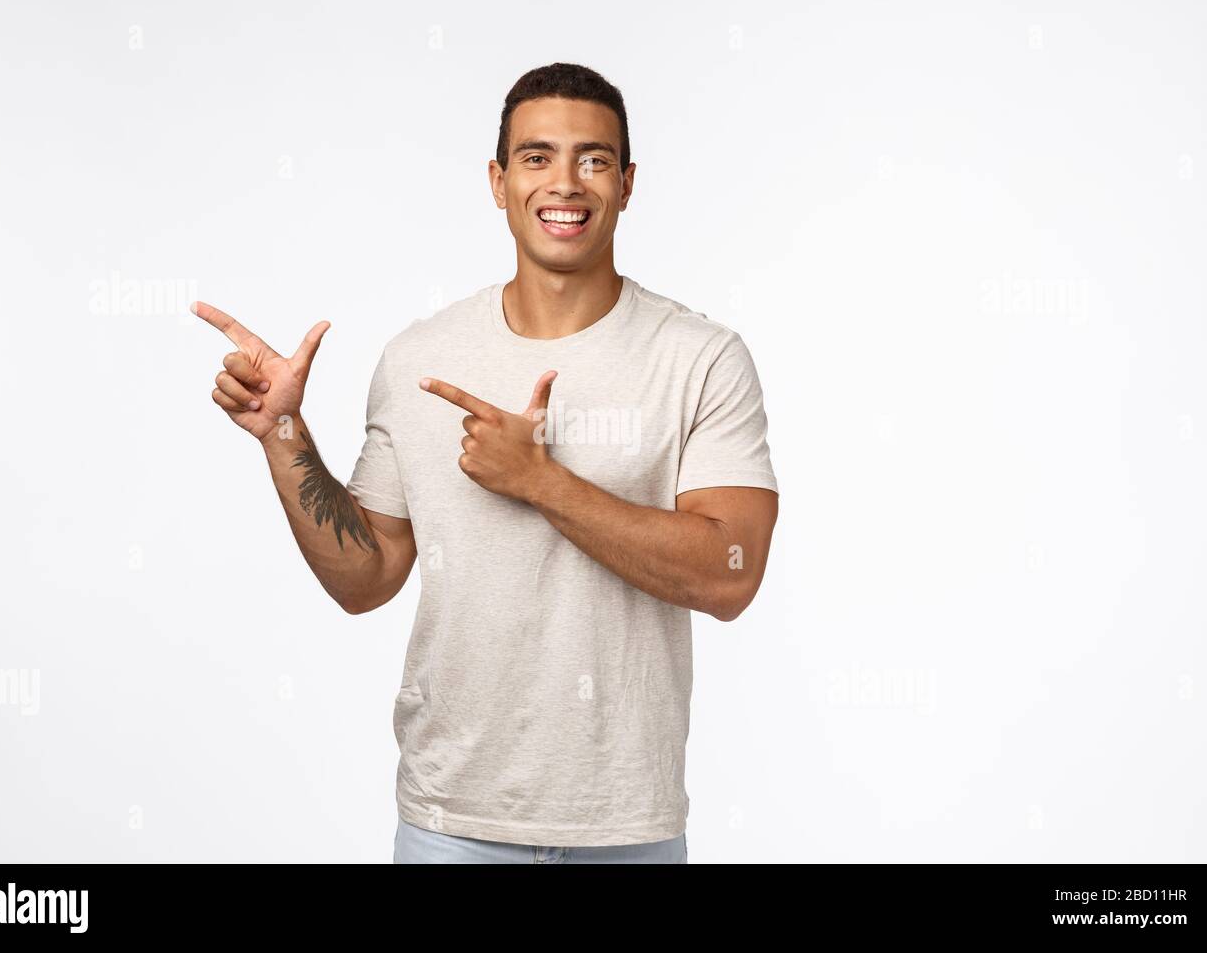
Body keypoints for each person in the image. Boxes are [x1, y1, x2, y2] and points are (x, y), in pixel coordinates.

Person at [194, 62, 779, 864]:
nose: (565, 183)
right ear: (499, 182)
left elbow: (730, 573)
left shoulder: (700, 358)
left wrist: (540, 481)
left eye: (594, 158)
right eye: (537, 158)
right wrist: (284, 431)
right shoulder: (420, 357)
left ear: (628, 182)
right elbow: (365, 581)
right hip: (450, 824)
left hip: (625, 827)